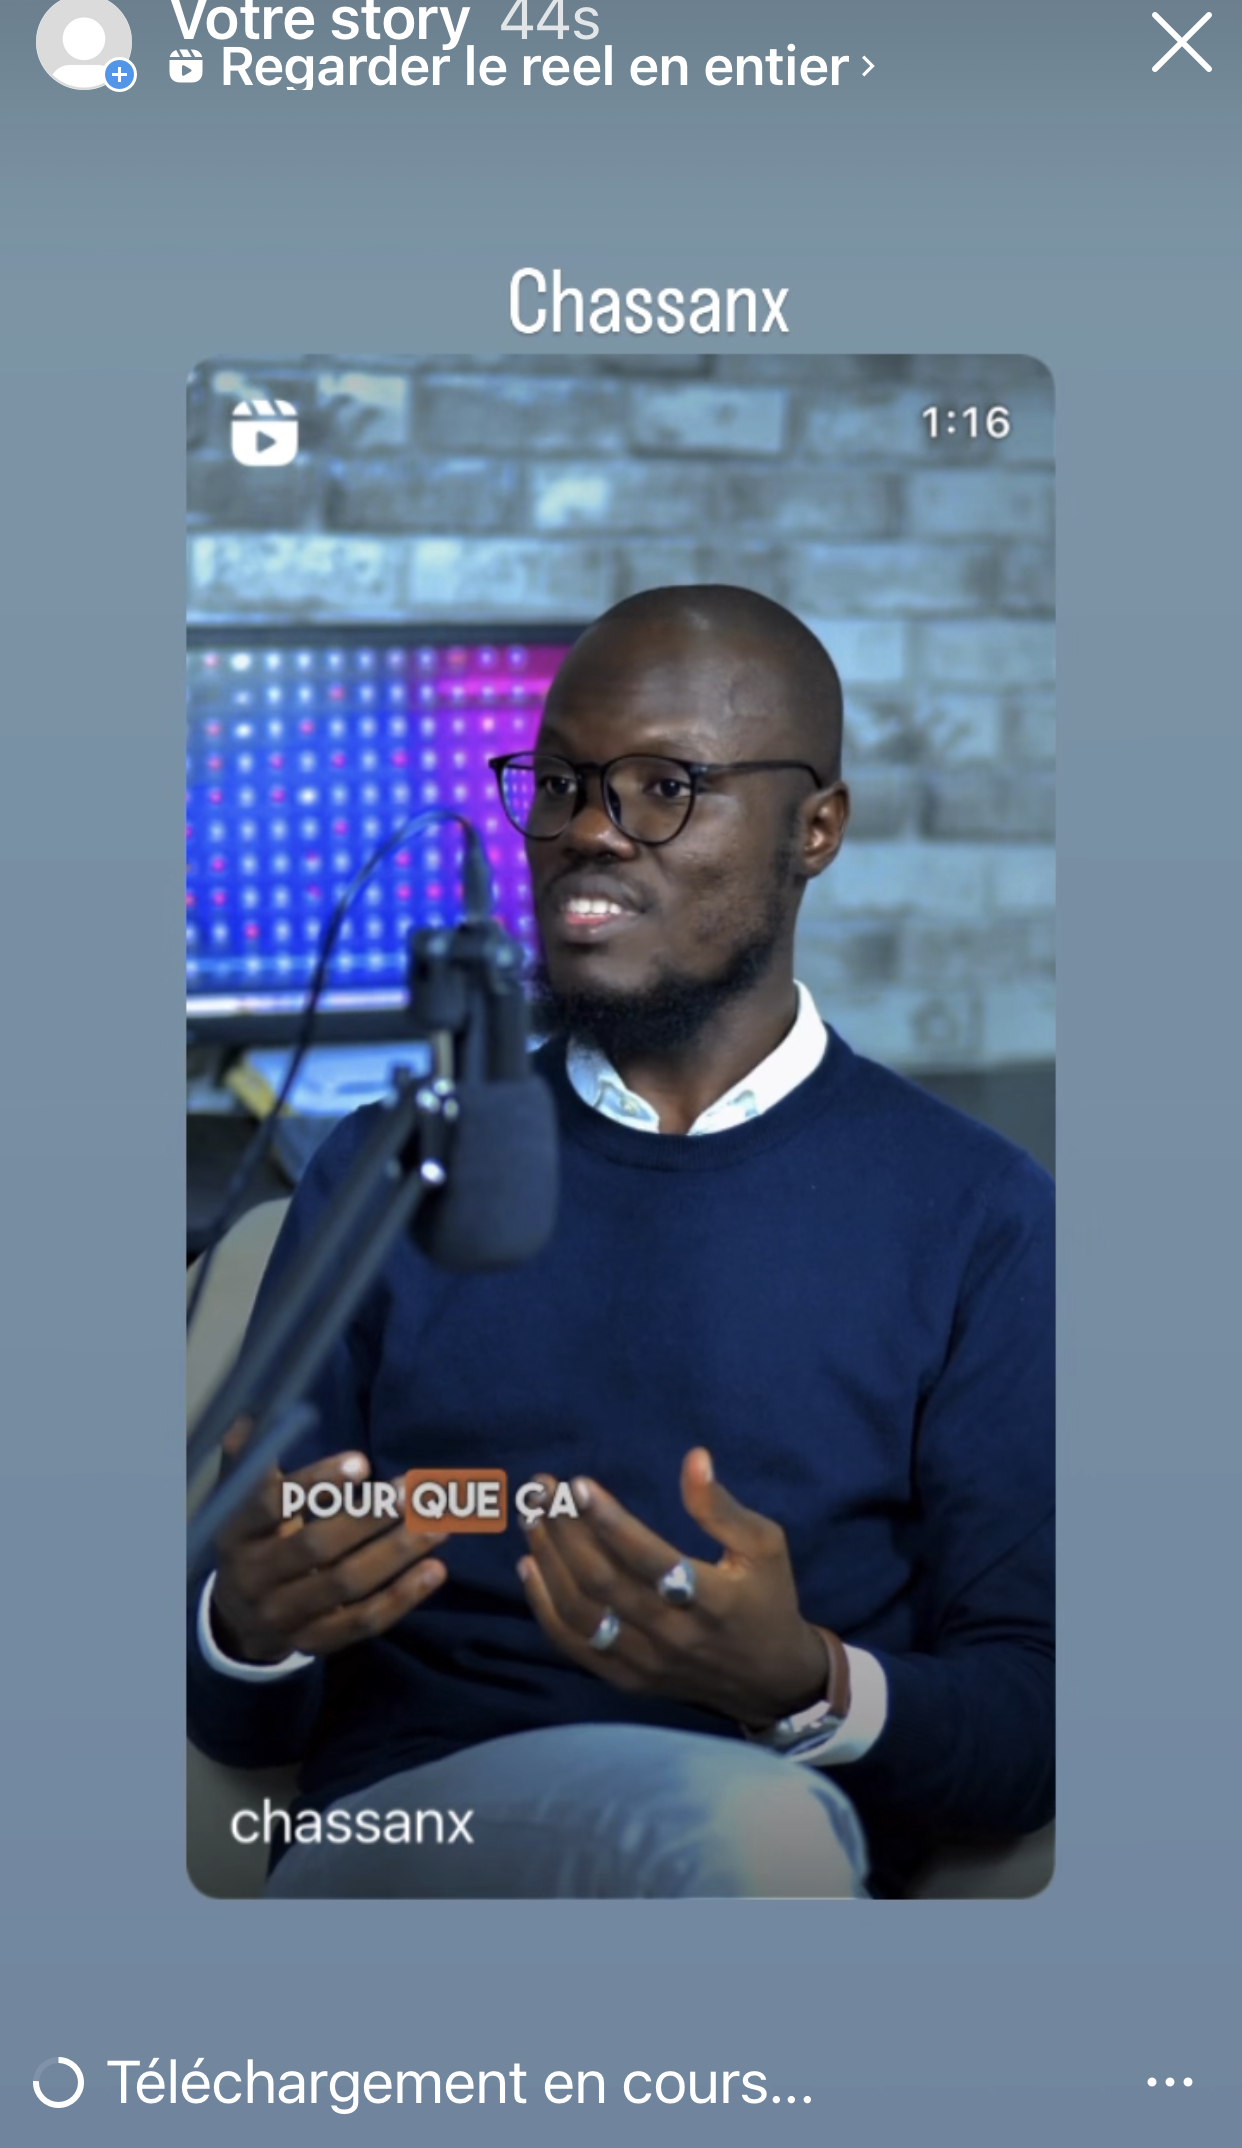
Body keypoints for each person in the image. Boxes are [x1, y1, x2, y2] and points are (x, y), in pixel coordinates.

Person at [188, 584, 1054, 1900]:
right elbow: (241, 1720)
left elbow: (1032, 1719)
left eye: (665, 787)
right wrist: (248, 1624)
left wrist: (803, 1683)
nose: (588, 830)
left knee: (750, 1837)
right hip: (413, 1849)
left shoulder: (978, 1215)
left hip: (782, 1869)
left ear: (816, 829)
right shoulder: (385, 1172)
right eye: (560, 782)